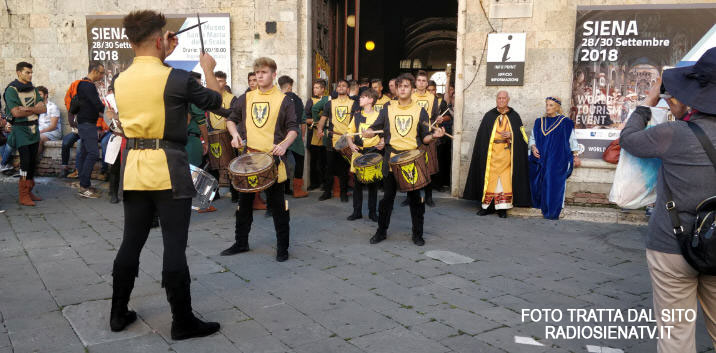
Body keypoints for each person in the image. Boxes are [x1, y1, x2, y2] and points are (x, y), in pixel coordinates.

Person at [110, 10, 224, 340]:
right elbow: (215, 101)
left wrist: (162, 55)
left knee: (131, 241)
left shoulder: (121, 80)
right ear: (161, 40)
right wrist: (208, 69)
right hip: (169, 168)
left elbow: (152, 90)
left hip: (134, 168)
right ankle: (182, 321)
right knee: (174, 245)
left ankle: (118, 312)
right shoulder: (177, 78)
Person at [620, 48, 716, 353]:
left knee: (675, 336)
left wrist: (646, 105)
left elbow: (629, 139)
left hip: (671, 245)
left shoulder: (674, 133)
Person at [220, 57, 298, 262]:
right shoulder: (246, 98)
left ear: (273, 74)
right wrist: (235, 134)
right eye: (257, 73)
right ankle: (241, 242)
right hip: (249, 159)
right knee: (243, 204)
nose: (259, 76)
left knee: (278, 207)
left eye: (264, 72)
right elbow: (230, 120)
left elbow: (293, 129)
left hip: (273, 160)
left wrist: (284, 145)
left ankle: (283, 248)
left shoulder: (284, 100)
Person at [363, 73, 445, 246]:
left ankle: (417, 234)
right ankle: (381, 231)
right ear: (396, 89)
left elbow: (425, 138)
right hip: (391, 159)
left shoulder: (419, 110)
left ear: (413, 89)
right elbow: (375, 127)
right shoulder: (387, 108)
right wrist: (369, 130)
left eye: (406, 86)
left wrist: (435, 136)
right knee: (387, 200)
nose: (402, 88)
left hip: (412, 160)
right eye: (400, 86)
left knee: (416, 200)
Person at [463, 91, 531, 218]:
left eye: (503, 98)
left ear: (508, 100)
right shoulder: (489, 115)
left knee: (504, 181)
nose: (501, 100)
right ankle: (487, 207)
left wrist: (512, 135)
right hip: (491, 154)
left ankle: (502, 209)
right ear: (496, 99)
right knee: (489, 180)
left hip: (506, 155)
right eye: (499, 98)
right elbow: (482, 137)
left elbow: (524, 138)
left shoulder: (515, 116)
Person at [528, 96, 580, 220]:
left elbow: (571, 139)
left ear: (557, 107)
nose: (548, 107)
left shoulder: (565, 122)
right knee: (537, 178)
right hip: (541, 157)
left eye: (551, 105)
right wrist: (533, 147)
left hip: (557, 158)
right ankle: (540, 203)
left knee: (554, 181)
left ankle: (553, 206)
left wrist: (575, 155)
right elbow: (533, 138)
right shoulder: (539, 121)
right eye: (547, 105)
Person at [3, 61, 46, 206]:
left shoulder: (33, 89)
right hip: (20, 130)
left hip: (34, 129)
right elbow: (15, 112)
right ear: (19, 73)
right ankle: (23, 194)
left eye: (31, 72)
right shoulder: (11, 90)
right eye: (27, 72)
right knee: (25, 162)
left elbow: (43, 108)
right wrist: (34, 108)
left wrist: (27, 109)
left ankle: (29, 190)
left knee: (33, 162)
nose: (30, 75)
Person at [316, 79, 357, 202]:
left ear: (348, 89)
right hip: (332, 138)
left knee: (344, 168)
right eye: (338, 85)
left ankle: (343, 193)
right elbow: (323, 119)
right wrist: (319, 130)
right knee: (329, 167)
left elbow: (357, 121)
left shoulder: (353, 103)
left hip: (346, 139)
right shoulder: (330, 103)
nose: (340, 87)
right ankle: (328, 192)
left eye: (343, 86)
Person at [346, 88, 384, 222]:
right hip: (359, 152)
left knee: (373, 185)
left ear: (371, 100)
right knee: (357, 185)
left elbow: (385, 134)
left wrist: (383, 142)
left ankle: (373, 212)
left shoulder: (380, 116)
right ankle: (357, 212)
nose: (360, 99)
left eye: (363, 97)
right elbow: (349, 134)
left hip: (374, 152)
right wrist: (350, 144)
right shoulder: (356, 116)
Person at [75, 62, 106, 198]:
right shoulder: (88, 85)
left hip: (86, 123)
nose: (102, 75)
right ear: (94, 71)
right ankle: (84, 186)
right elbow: (97, 104)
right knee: (93, 153)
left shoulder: (83, 84)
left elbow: (92, 106)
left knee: (84, 153)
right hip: (87, 124)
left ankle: (84, 183)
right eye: (101, 73)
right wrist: (109, 113)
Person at [411, 70, 440, 207]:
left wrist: (437, 120)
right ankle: (410, 196)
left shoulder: (432, 98)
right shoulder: (410, 96)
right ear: (415, 82)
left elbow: (434, 116)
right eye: (419, 80)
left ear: (426, 83)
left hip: (427, 134)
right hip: (412, 136)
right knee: (412, 166)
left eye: (424, 81)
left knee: (428, 167)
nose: (421, 83)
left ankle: (429, 197)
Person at [278, 75, 309, 198]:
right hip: (295, 134)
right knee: (299, 161)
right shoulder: (297, 100)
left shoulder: (277, 98)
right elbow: (303, 120)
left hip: (280, 135)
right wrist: (302, 136)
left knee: (281, 162)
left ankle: (282, 189)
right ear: (290, 86)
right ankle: (297, 190)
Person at [427, 80, 452, 191]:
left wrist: (442, 118)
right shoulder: (420, 101)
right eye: (429, 90)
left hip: (437, 136)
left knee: (438, 161)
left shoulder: (440, 102)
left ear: (436, 90)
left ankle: (438, 184)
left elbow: (448, 117)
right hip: (424, 135)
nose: (431, 92)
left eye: (433, 90)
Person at [305, 79, 329, 190]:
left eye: (317, 87)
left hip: (325, 135)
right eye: (314, 87)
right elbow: (305, 118)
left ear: (323, 89)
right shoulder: (310, 101)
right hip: (314, 134)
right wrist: (315, 122)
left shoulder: (328, 100)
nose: (315, 89)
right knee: (314, 162)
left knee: (324, 162)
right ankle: (314, 183)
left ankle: (325, 183)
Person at [185, 72, 209, 168]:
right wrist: (206, 142)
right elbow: (201, 123)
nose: (200, 87)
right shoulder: (194, 99)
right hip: (191, 142)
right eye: (198, 85)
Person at [36, 86, 61, 156]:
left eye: (40, 94)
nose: (38, 96)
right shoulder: (36, 107)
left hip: (53, 132)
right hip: (40, 131)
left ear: (46, 95)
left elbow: (53, 126)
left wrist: (39, 132)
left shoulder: (53, 107)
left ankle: (33, 162)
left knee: (38, 138)